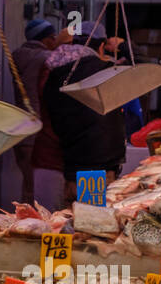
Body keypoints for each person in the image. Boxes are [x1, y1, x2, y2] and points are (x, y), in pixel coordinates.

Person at [41, 23, 127, 205]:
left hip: (71, 161)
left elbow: (52, 115)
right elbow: (145, 68)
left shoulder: (55, 73)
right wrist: (122, 45)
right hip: (95, 165)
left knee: (75, 216)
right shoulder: (103, 70)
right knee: (93, 217)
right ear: (102, 46)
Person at [11, 17, 70, 208]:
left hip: (20, 131)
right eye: (53, 37)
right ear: (45, 39)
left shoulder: (18, 57)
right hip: (37, 133)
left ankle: (24, 220)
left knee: (28, 186)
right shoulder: (45, 59)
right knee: (38, 192)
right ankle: (32, 222)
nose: (54, 41)